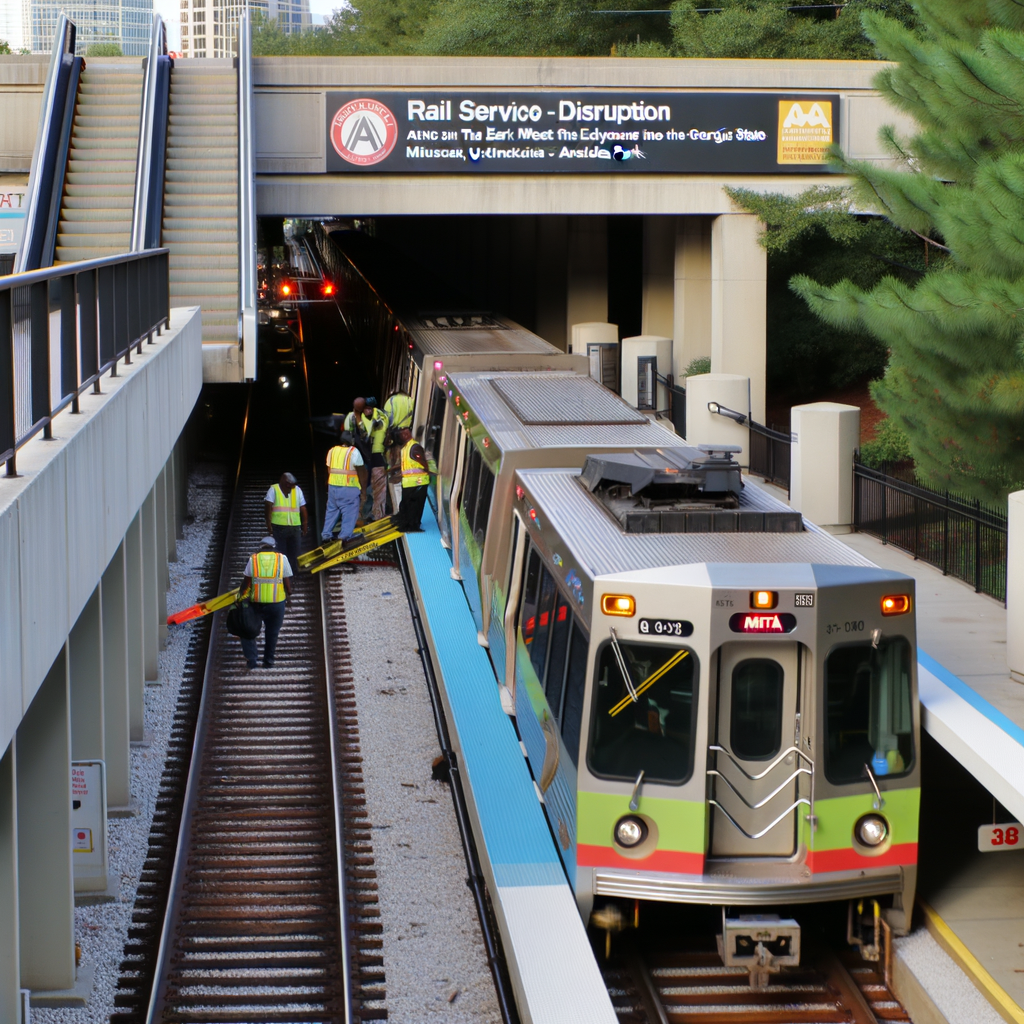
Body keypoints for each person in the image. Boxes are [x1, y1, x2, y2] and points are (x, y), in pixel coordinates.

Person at [240, 536, 292, 669]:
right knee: (272, 632)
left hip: (255, 603)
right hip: (277, 603)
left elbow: (246, 583)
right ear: (274, 546)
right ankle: (268, 661)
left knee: (248, 630)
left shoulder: (254, 559)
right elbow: (287, 584)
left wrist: (240, 598)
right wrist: (289, 595)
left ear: (261, 547)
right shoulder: (282, 559)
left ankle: (252, 660)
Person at [344, 397, 388, 521]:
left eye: (369, 409)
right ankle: (363, 514)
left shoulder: (377, 417)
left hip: (373, 455)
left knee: (374, 487)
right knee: (365, 487)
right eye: (365, 409)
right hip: (363, 456)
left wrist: (358, 417)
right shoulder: (353, 417)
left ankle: (373, 514)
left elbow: (364, 435)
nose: (367, 411)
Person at [323, 431, 367, 542]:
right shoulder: (354, 452)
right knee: (350, 512)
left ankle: (326, 535)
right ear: (352, 441)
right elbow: (362, 473)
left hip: (333, 487)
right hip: (349, 488)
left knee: (331, 511)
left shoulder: (331, 451)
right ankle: (345, 536)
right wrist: (364, 491)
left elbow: (329, 470)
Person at [264, 472, 308, 572]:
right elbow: (268, 507)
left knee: (295, 552)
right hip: (279, 527)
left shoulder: (297, 490)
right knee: (281, 552)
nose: (292, 488)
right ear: (286, 483)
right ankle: (282, 573)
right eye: (290, 486)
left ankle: (292, 573)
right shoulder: (274, 489)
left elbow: (303, 508)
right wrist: (269, 524)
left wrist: (305, 524)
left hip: (294, 527)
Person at [395, 426, 430, 533]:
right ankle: (413, 526)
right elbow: (423, 462)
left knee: (407, 504)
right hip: (418, 481)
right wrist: (428, 470)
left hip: (407, 482)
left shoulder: (404, 449)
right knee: (416, 505)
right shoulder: (415, 447)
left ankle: (404, 523)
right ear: (406, 435)